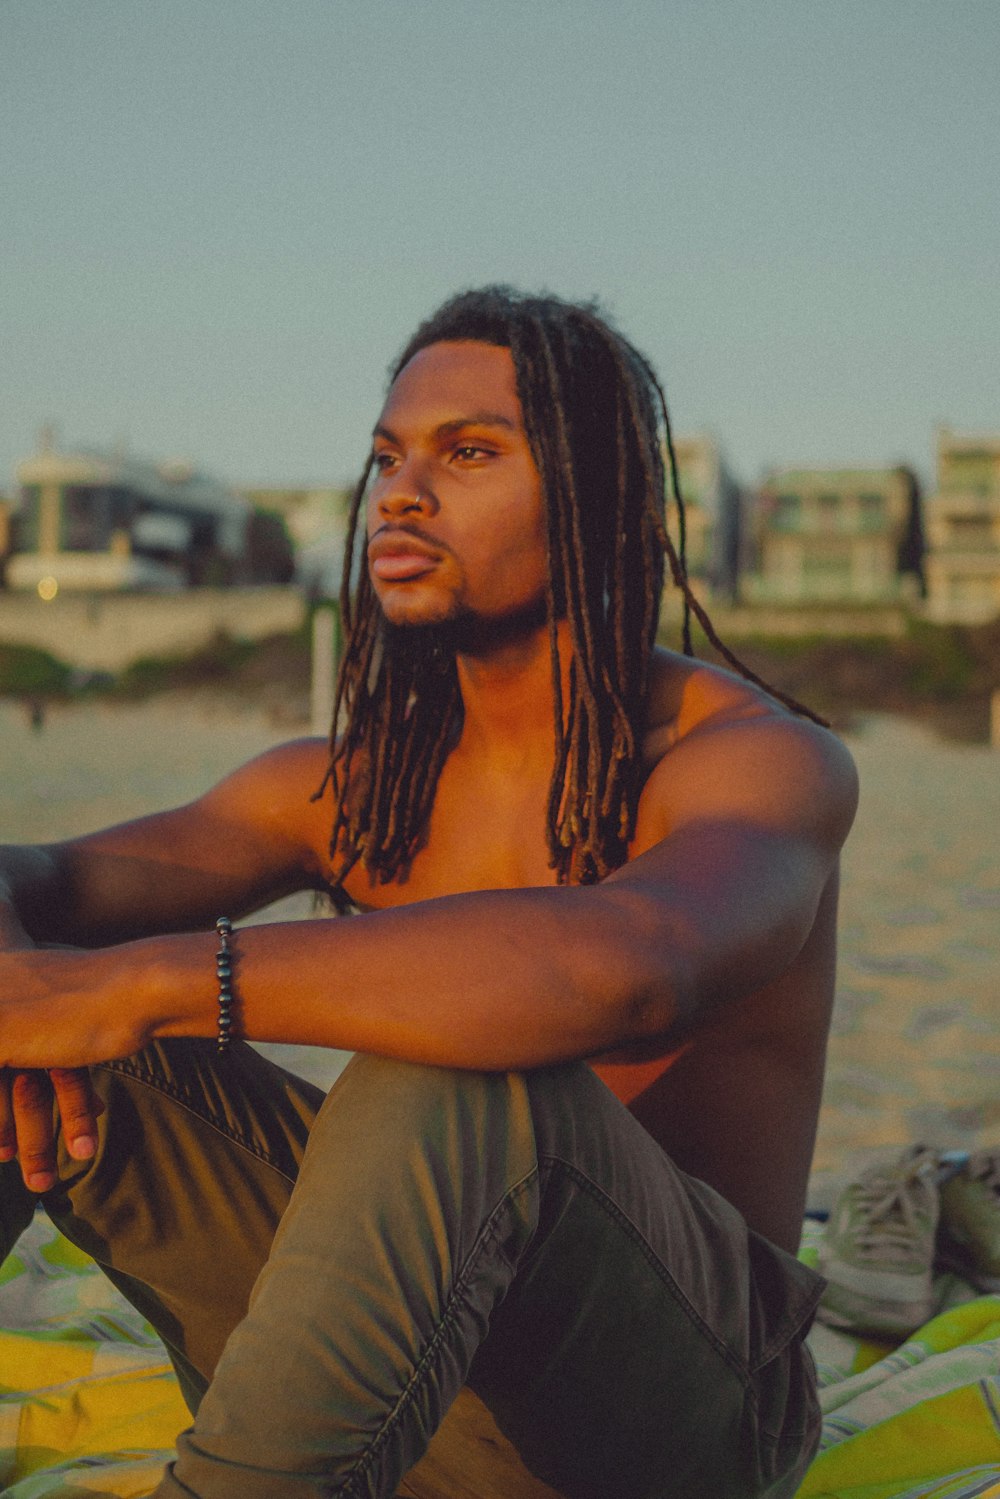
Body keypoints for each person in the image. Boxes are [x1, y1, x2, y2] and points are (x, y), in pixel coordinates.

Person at [0, 287, 858, 1498]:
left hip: (674, 1419)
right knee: (30, 1013)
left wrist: (137, 982)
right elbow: (30, 876)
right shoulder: (363, 786)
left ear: (600, 495)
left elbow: (629, 964)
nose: (401, 491)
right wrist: (28, 989)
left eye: (467, 452)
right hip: (406, 1380)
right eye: (388, 457)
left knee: (459, 1066)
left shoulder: (753, 763)